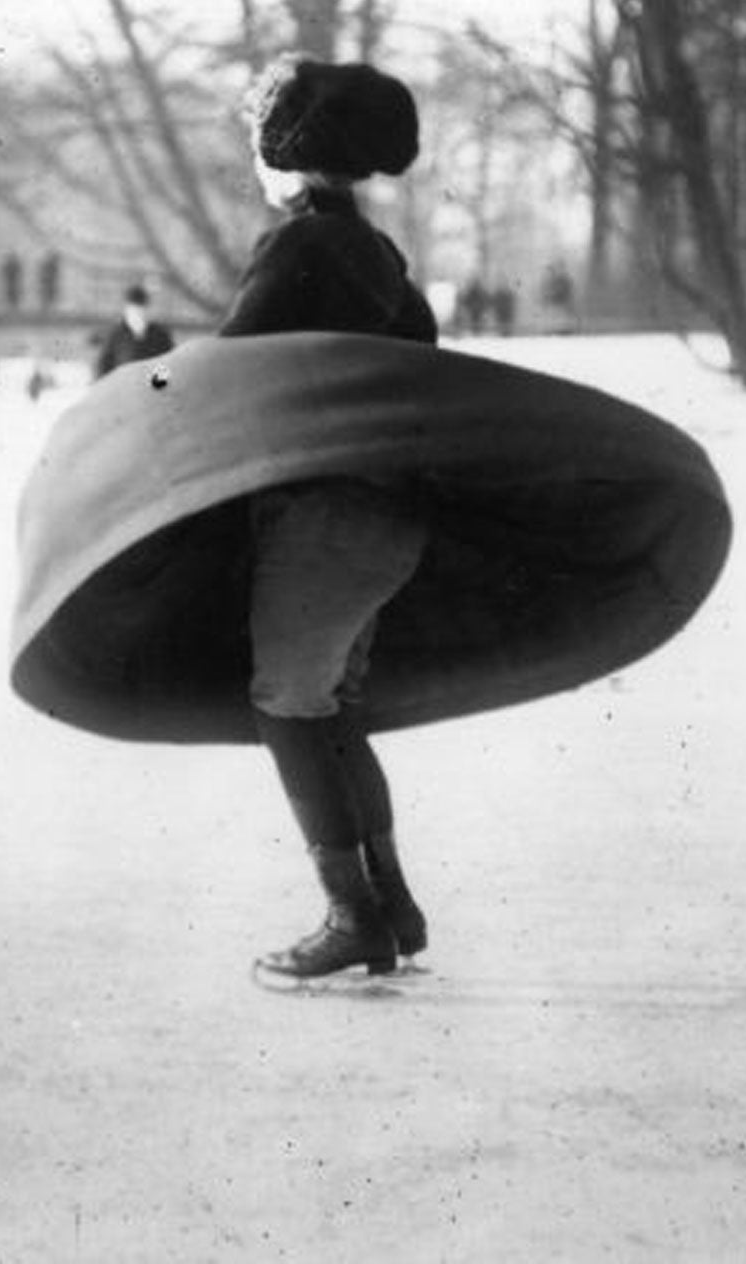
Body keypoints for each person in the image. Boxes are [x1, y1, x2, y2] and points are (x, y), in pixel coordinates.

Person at [218, 56, 438, 984]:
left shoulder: (301, 247)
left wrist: (134, 385)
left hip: (325, 515)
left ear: (285, 158)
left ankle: (352, 916)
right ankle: (390, 905)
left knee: (289, 706)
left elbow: (225, 370)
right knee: (337, 711)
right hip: (388, 516)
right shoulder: (377, 252)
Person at [93, 284, 175, 379]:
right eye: (134, 311)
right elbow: (103, 367)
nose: (138, 315)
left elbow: (170, 364)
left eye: (141, 311)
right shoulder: (115, 336)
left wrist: (159, 386)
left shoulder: (161, 336)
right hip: (124, 387)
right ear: (127, 311)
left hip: (153, 388)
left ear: (147, 310)